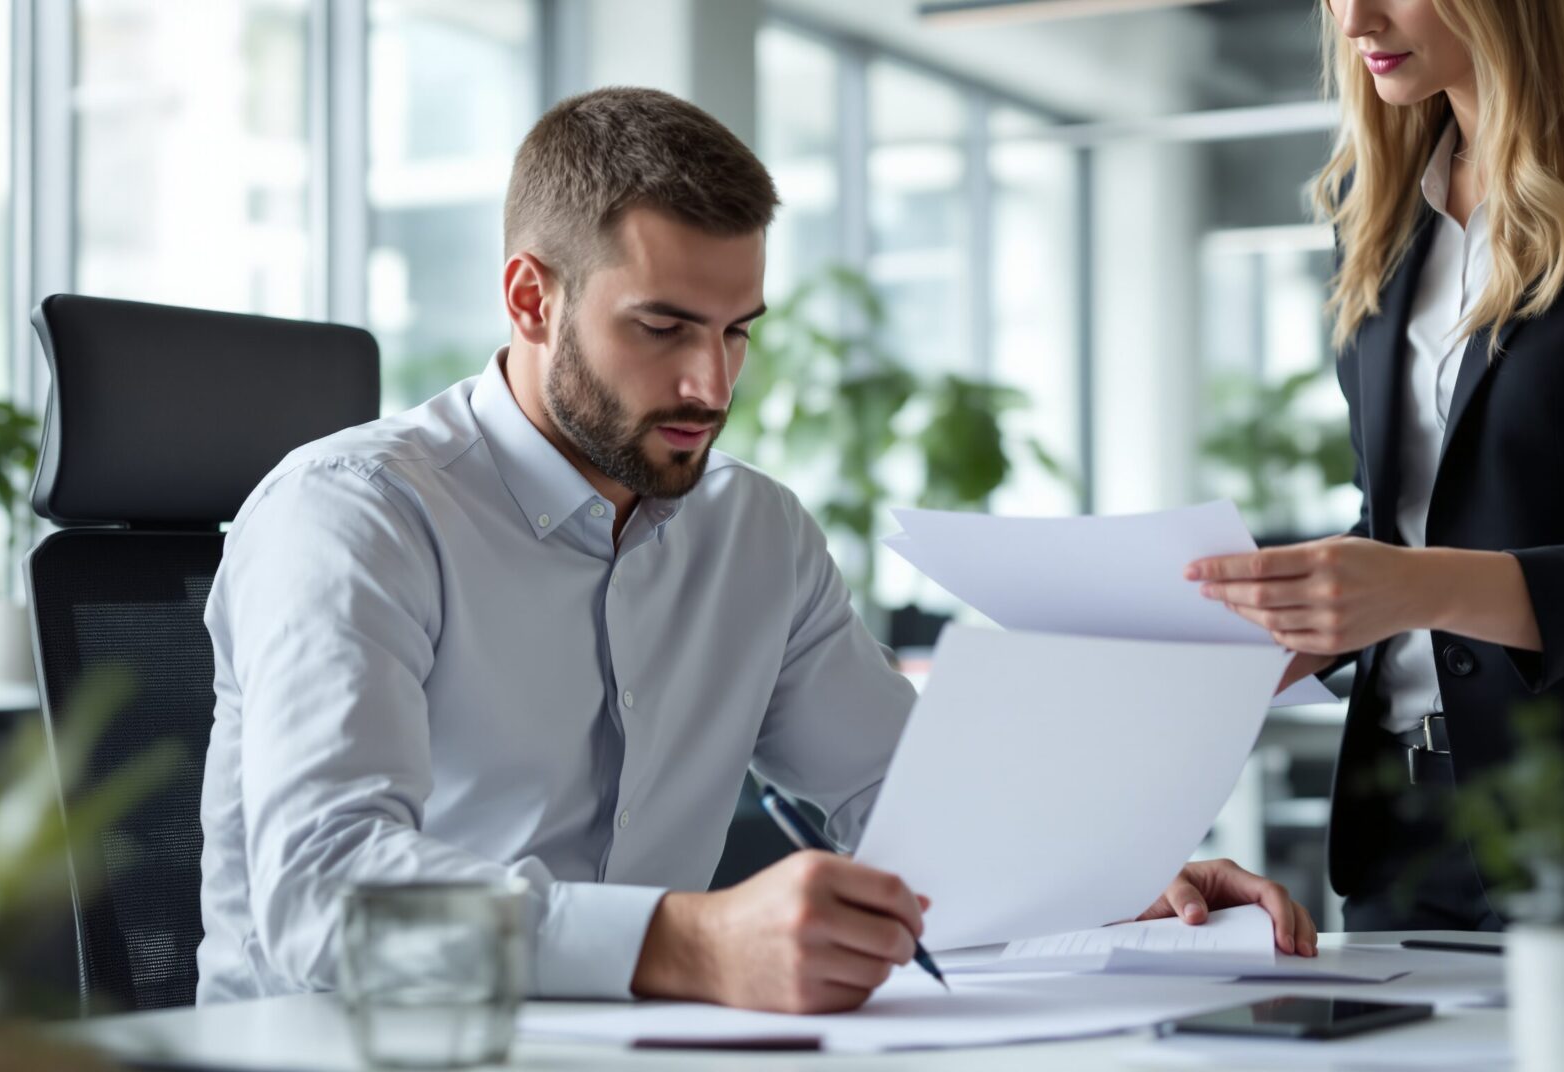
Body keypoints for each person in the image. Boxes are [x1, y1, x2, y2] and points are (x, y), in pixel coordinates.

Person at [196, 87, 1315, 1013]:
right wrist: (687, 943)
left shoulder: (755, 533)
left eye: (737, 331)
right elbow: (325, 905)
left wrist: (1107, 881)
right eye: (664, 327)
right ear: (532, 298)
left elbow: (905, 804)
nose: (712, 386)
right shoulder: (351, 516)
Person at [1187, 0, 1564, 930]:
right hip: (1406, 833)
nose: (1353, 19)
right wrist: (1288, 622)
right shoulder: (1380, 192)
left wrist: (1414, 586)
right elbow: (1403, 528)